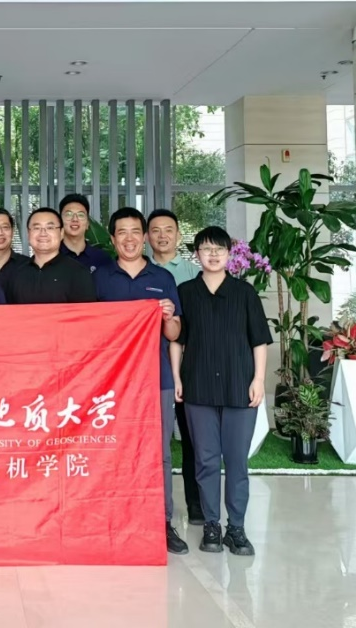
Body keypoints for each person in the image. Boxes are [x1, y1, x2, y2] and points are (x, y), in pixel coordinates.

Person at [93, 207, 187, 555]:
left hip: (155, 378)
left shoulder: (162, 277)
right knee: (110, 449)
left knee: (159, 453)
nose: (129, 239)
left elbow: (174, 332)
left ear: (144, 237)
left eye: (136, 232)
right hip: (110, 382)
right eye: (122, 232)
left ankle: (162, 522)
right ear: (112, 238)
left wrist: (167, 316)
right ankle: (113, 519)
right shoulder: (99, 278)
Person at [174, 227, 271, 557]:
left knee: (237, 461)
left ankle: (237, 529)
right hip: (198, 387)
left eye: (219, 249)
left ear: (229, 254)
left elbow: (259, 341)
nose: (213, 255)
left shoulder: (244, 293)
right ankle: (212, 525)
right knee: (205, 460)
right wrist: (177, 377)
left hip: (239, 387)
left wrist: (258, 379)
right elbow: (177, 341)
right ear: (196, 254)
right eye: (206, 249)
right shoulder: (186, 292)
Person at [147, 208, 203, 525]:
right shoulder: (141, 271)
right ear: (147, 236)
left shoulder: (193, 273)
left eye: (168, 229)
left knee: (192, 435)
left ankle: (195, 503)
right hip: (150, 368)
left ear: (179, 235)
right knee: (154, 440)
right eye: (155, 230)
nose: (162, 236)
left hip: (188, 364)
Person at [1, 207, 97, 304]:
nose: (43, 233)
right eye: (37, 228)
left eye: (50, 228)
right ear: (28, 234)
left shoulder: (78, 273)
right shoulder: (16, 274)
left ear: (61, 233)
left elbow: (87, 312)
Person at [58, 194, 114, 273]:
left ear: (87, 223)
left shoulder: (102, 258)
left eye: (80, 215)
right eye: (69, 214)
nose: (75, 219)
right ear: (60, 222)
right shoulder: (51, 256)